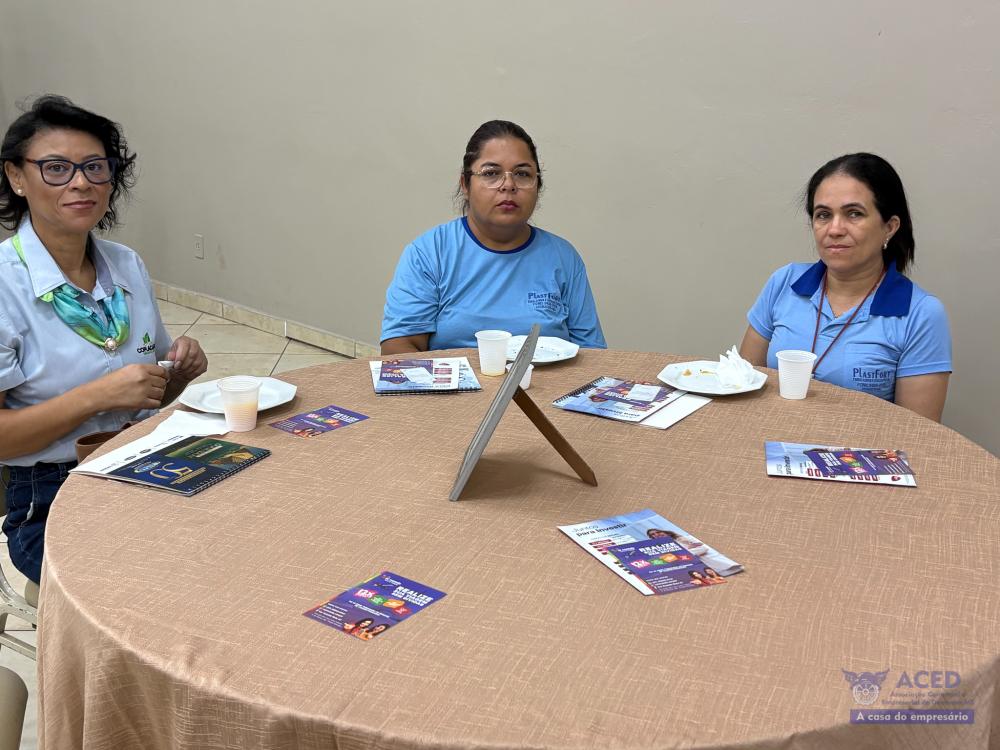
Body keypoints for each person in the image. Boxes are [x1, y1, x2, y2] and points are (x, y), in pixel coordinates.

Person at [0, 95, 208, 584]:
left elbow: (148, 392)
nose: (81, 183)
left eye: (95, 167)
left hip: (145, 458)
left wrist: (178, 374)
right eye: (56, 168)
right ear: (16, 177)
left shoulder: (125, 264)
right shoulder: (6, 285)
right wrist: (97, 396)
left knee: (246, 532)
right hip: (50, 493)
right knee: (158, 579)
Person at [739, 153, 951, 421]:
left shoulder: (921, 314)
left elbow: (917, 432)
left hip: (861, 448)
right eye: (823, 215)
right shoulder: (785, 282)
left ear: (889, 227)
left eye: (854, 214)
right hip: (769, 438)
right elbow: (743, 384)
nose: (835, 229)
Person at [380, 120, 606, 354]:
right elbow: (398, 347)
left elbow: (593, 354)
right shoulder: (430, 253)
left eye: (522, 174)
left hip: (546, 379)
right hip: (455, 378)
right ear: (465, 184)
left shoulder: (563, 257)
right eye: (491, 173)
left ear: (537, 185)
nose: (508, 185)